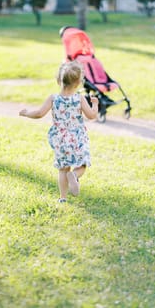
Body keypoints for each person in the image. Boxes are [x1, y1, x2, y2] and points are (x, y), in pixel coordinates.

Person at [19, 61, 98, 203]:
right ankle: (74, 175)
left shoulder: (53, 98)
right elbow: (92, 115)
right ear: (79, 82)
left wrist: (26, 113)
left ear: (58, 80)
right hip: (77, 138)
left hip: (60, 139)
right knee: (82, 164)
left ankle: (63, 198)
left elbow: (39, 113)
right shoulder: (79, 99)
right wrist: (95, 104)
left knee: (63, 169)